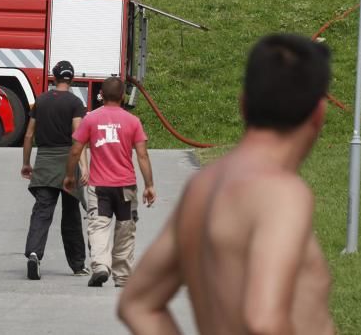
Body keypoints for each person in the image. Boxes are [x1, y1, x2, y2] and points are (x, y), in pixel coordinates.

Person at [118, 34, 335, 335]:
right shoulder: (282, 193)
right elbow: (264, 320)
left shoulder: (203, 187)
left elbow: (138, 304)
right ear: (319, 114)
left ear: (243, 104)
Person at [63, 77, 154, 289]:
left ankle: (101, 266)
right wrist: (149, 185)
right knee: (125, 229)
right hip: (127, 186)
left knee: (98, 226)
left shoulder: (91, 119)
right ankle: (122, 276)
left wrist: (70, 175)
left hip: (99, 186)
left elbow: (76, 149)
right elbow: (142, 155)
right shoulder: (133, 121)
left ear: (100, 95)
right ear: (123, 96)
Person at [21, 60, 88, 280]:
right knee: (71, 215)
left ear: (54, 77)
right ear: (72, 78)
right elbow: (78, 137)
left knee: (42, 211)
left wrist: (26, 162)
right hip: (68, 160)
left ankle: (34, 253)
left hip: (45, 160)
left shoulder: (41, 101)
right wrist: (84, 167)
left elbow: (29, 135)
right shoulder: (76, 103)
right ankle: (77, 264)